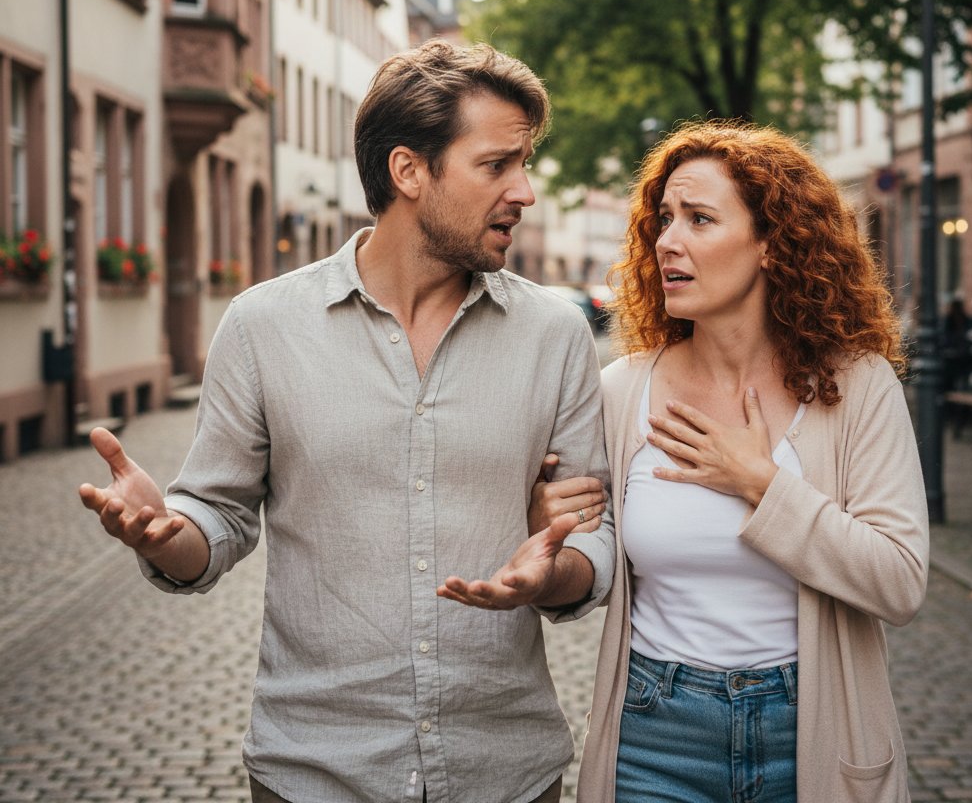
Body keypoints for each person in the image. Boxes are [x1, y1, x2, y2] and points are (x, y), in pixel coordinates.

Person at [79, 39, 614, 803]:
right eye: (497, 165)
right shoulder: (263, 325)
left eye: (524, 163)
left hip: (504, 769)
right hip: (316, 773)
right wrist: (168, 534)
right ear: (409, 171)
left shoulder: (554, 335)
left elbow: (590, 536)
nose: (525, 191)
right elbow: (217, 515)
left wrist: (551, 574)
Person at [532, 122, 929, 802]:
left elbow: (898, 582)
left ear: (772, 243)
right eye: (663, 219)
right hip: (657, 734)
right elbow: (587, 561)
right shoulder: (624, 392)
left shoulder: (858, 387)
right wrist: (553, 529)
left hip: (810, 732)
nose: (667, 241)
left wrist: (761, 482)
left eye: (700, 219)